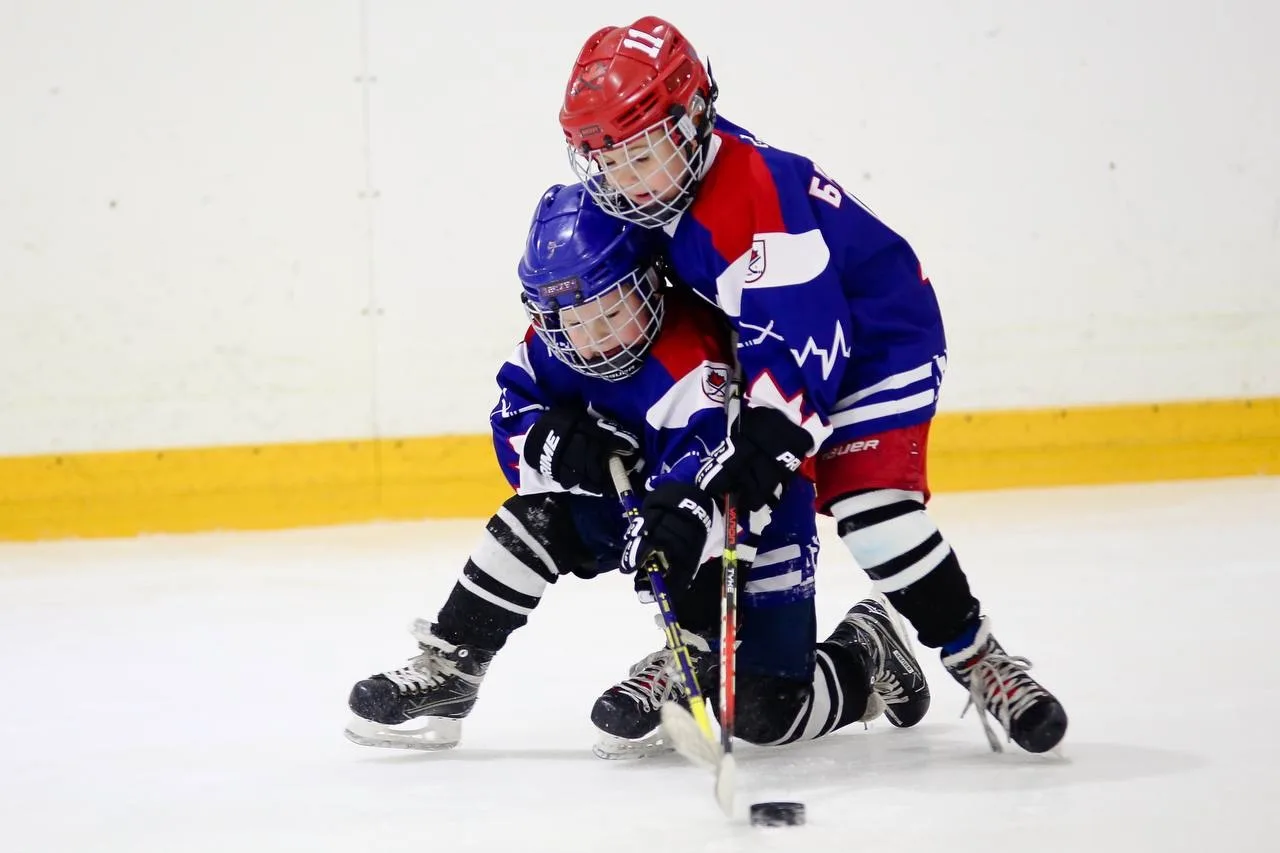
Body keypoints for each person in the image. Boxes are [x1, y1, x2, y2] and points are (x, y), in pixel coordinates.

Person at [557, 16, 1067, 754]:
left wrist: (767, 440)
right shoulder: (658, 193)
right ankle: (781, 648)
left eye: (641, 154)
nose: (625, 181)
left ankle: (978, 657)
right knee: (713, 507)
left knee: (871, 509)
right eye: (608, 161)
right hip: (774, 360)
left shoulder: (751, 193)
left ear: (693, 119)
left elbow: (808, 337)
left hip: (874, 344)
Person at [343, 183, 928, 755]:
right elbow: (511, 419)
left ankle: (858, 647)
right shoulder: (550, 345)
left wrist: (676, 526)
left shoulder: (695, 362)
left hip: (756, 515)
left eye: (609, 313)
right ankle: (454, 667)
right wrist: (551, 443)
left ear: (648, 285)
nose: (590, 339)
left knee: (765, 711)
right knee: (534, 519)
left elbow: (720, 494)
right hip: (641, 504)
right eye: (571, 320)